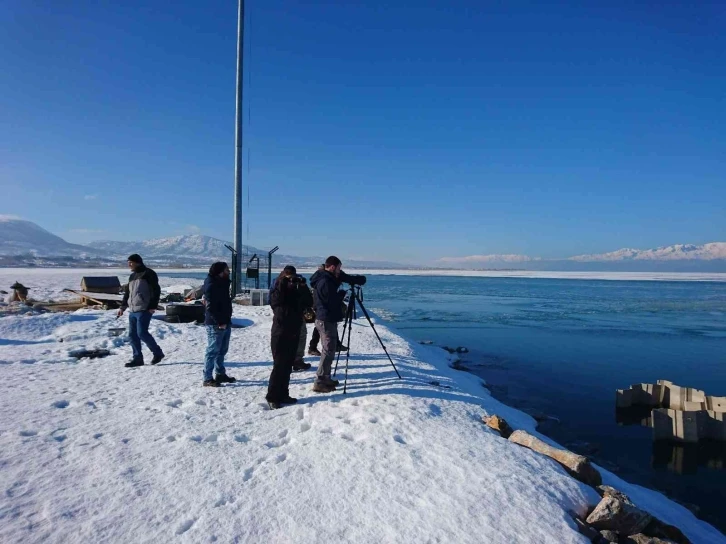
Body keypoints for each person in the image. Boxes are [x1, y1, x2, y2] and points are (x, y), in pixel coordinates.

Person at [267, 265, 313, 409]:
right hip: (280, 333)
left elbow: (309, 302)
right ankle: (272, 396)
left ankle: (283, 394)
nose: (292, 283)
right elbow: (275, 303)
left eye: (294, 279)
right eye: (289, 279)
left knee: (287, 366)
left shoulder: (296, 293)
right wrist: (282, 283)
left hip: (294, 331)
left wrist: (303, 286)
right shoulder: (278, 291)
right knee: (279, 366)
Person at [118, 254, 164, 367]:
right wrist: (122, 307)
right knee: (132, 335)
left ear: (137, 262)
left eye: (131, 262)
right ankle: (137, 358)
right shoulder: (132, 276)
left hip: (144, 308)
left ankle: (158, 353)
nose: (129, 264)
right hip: (132, 310)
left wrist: (153, 306)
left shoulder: (148, 273)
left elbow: (156, 290)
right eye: (128, 262)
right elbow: (127, 293)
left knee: (142, 333)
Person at [309, 256, 347, 393]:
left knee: (330, 349)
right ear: (332, 267)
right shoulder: (325, 281)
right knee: (328, 350)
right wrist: (341, 295)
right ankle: (320, 381)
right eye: (338, 268)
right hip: (325, 319)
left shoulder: (325, 279)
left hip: (326, 318)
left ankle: (326, 377)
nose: (339, 271)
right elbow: (329, 301)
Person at [202, 262, 236, 387]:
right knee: (212, 350)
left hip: (225, 320)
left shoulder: (223, 283)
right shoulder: (212, 284)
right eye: (227, 270)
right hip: (216, 323)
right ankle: (207, 378)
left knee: (222, 350)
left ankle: (220, 373)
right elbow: (210, 307)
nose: (229, 272)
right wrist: (219, 321)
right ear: (220, 272)